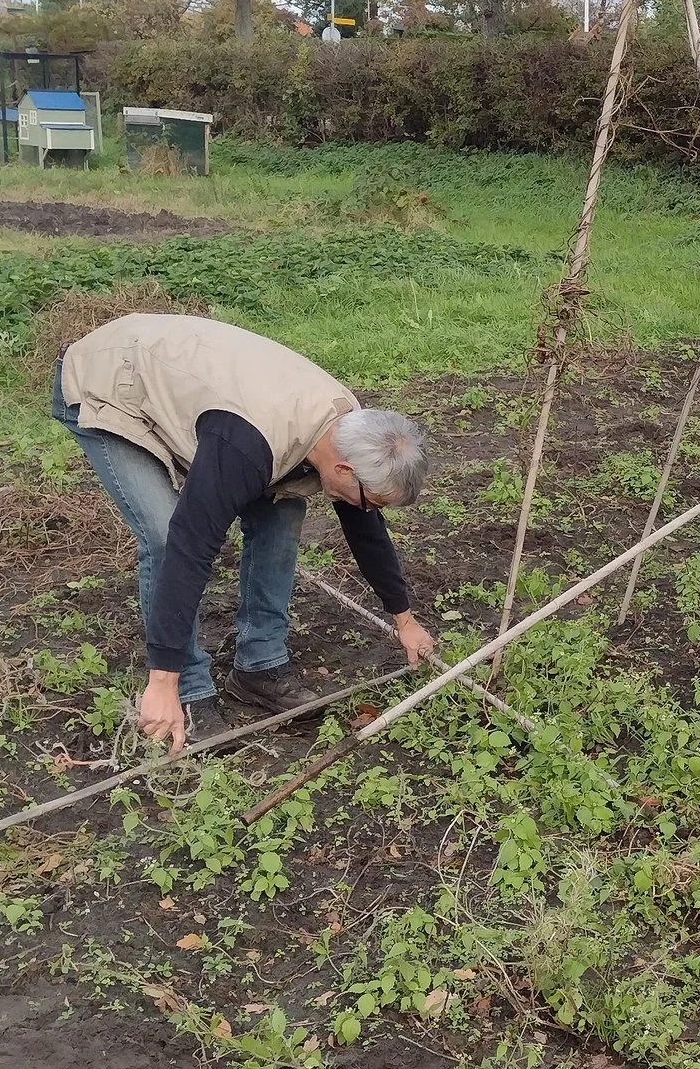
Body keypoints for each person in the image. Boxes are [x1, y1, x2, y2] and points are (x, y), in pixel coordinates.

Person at [53, 312, 437, 754]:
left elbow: (364, 524)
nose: (369, 510)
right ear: (344, 469)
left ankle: (260, 666)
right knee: (163, 534)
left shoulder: (349, 429)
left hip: (212, 397)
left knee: (282, 511)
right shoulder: (246, 445)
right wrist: (163, 680)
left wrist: (403, 619)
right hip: (111, 386)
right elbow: (190, 546)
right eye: (372, 500)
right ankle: (187, 689)